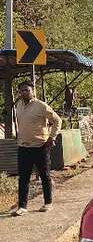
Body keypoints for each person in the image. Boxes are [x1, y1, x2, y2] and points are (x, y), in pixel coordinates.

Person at [13, 82, 62, 216]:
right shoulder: (18, 105)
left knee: (44, 176)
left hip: (40, 147)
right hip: (23, 147)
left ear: (32, 91)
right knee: (23, 178)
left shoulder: (41, 106)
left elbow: (57, 120)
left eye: (27, 90)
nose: (24, 93)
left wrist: (52, 137)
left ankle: (48, 203)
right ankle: (22, 206)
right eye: (22, 90)